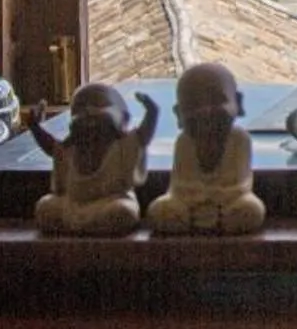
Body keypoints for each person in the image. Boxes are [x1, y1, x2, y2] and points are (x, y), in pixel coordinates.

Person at [146, 62, 265, 236]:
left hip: (228, 205)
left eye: (217, 100)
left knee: (251, 209)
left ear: (238, 103)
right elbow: (180, 185)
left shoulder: (239, 139)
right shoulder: (184, 142)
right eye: (193, 104)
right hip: (188, 205)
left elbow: (240, 184)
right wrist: (197, 200)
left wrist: (215, 199)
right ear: (179, 114)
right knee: (159, 210)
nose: (206, 111)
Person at [29, 83, 158, 237]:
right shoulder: (71, 149)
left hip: (110, 203)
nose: (89, 114)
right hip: (73, 205)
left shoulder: (122, 147)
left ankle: (92, 223)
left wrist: (152, 112)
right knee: (45, 208)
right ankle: (83, 223)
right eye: (82, 109)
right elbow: (52, 147)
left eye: (98, 108)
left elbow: (143, 136)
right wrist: (35, 127)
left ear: (121, 118)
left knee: (123, 211)